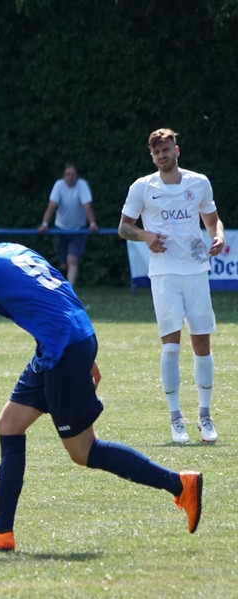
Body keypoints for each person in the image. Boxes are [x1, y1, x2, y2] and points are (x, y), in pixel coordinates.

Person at [0, 195, 202, 551]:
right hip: (67, 341)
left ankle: (180, 484)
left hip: (63, 349)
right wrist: (85, 349)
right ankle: (1, 531)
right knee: (10, 424)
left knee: (84, 451)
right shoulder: (17, 251)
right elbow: (61, 293)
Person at [118, 128, 225, 445]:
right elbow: (124, 227)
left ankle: (205, 416)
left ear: (176, 150)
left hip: (196, 271)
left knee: (202, 344)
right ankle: (176, 419)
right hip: (164, 275)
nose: (161, 155)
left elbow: (212, 221)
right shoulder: (142, 187)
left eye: (166, 150)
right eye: (156, 152)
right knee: (171, 346)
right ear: (152, 156)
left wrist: (218, 236)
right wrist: (145, 236)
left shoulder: (198, 182)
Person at [37, 163, 99, 286]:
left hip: (78, 230)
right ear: (64, 176)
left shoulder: (82, 185)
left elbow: (87, 206)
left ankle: (69, 290)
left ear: (77, 175)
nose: (71, 177)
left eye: (73, 174)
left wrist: (92, 224)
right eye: (68, 174)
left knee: (72, 260)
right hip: (60, 228)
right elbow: (52, 205)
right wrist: (44, 224)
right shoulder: (58, 185)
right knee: (63, 263)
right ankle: (64, 285)